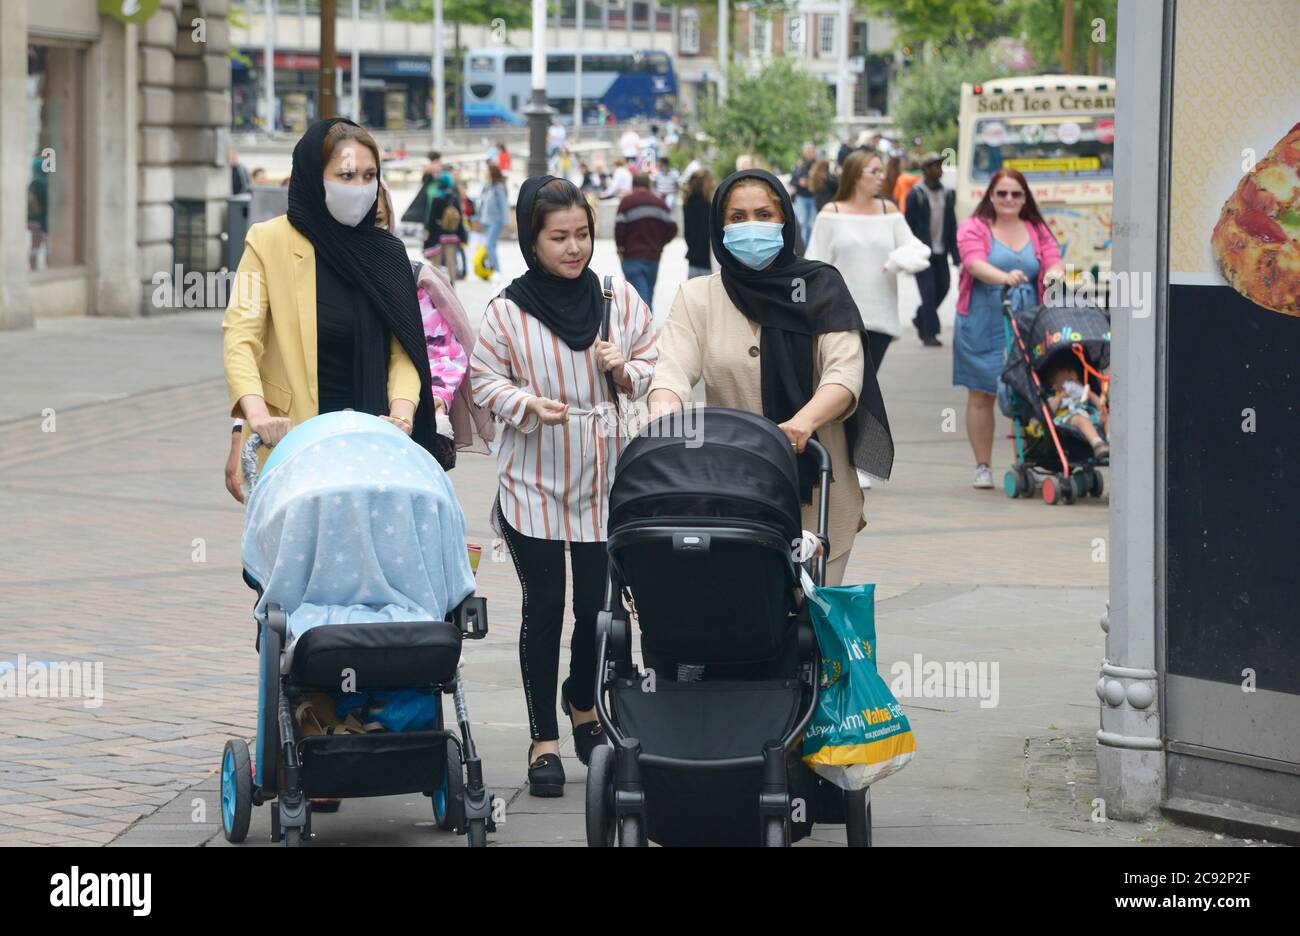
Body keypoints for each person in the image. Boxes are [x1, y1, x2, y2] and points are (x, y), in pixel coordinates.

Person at [469, 175, 658, 797]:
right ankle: (542, 737)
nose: (573, 248)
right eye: (558, 238)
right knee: (545, 605)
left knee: (596, 609)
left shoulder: (615, 295)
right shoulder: (506, 310)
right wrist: (524, 403)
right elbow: (481, 380)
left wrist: (623, 370)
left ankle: (583, 700)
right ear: (531, 239)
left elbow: (657, 360)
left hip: (604, 480)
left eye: (581, 234)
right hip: (533, 481)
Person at [647, 169, 895, 587]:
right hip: (733, 492)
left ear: (785, 220)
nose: (751, 227)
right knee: (743, 621)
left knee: (809, 627)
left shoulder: (820, 287)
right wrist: (665, 418)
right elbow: (671, 370)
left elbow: (844, 372)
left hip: (818, 495)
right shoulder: (698, 297)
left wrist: (804, 422)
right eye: (737, 217)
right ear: (719, 226)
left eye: (764, 214)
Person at [223, 117, 442, 494]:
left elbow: (404, 351)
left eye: (369, 175)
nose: (360, 188)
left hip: (371, 449)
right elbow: (241, 337)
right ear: (313, 176)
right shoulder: (267, 241)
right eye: (346, 175)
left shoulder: (387, 254)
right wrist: (256, 416)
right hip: (292, 444)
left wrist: (401, 416)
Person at [807, 150, 929, 490]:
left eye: (880, 170)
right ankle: (847, 460)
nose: (880, 176)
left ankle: (853, 460)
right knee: (850, 386)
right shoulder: (830, 214)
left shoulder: (890, 212)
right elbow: (815, 263)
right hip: (839, 316)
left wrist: (896, 261)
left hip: (879, 316)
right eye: (873, 170)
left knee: (861, 386)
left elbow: (917, 249)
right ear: (856, 174)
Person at [955, 168, 1064, 489]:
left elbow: (1053, 257)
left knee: (1030, 388)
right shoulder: (974, 227)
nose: (1008, 199)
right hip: (981, 316)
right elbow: (974, 263)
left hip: (1027, 317)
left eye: (1016, 194)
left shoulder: (1036, 228)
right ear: (990, 195)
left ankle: (1030, 458)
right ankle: (983, 466)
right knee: (982, 391)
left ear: (1025, 198)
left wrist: (1055, 273)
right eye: (1001, 193)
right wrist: (1003, 278)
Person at [904, 153, 959, 347]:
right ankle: (930, 333)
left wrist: (956, 254)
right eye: (935, 166)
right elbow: (907, 225)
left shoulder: (948, 193)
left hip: (941, 250)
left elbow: (952, 224)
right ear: (926, 170)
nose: (940, 169)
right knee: (928, 293)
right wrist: (909, 250)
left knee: (943, 287)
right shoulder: (916, 194)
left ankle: (921, 317)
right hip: (922, 252)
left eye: (940, 165)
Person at [614, 173, 678, 308]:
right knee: (648, 293)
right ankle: (647, 326)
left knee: (639, 299)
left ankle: (644, 327)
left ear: (633, 185)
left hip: (631, 256)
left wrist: (620, 248)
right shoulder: (659, 203)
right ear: (648, 185)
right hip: (653, 256)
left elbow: (619, 228)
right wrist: (660, 243)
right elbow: (673, 228)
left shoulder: (627, 202)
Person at [1044, 356, 1109, 458]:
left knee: (1107, 416)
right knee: (1080, 419)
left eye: (1074, 377)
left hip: (1090, 416)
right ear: (1054, 384)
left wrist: (1090, 394)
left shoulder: (1082, 391)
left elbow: (1101, 406)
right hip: (1070, 419)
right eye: (1066, 378)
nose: (1072, 378)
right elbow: (1049, 411)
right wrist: (1061, 396)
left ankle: (1111, 439)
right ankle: (1097, 444)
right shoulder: (1054, 396)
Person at [425, 171, 465, 285]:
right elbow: (460, 217)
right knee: (451, 260)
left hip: (438, 232)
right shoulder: (454, 197)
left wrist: (427, 230)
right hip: (452, 233)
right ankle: (452, 284)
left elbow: (431, 217)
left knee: (436, 261)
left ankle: (436, 284)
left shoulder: (437, 197)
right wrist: (461, 234)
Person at [477, 162, 509, 279]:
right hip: (486, 220)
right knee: (491, 246)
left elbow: (503, 205)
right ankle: (491, 269)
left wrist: (506, 222)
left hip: (496, 221)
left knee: (489, 245)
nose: (485, 172)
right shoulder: (487, 186)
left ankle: (497, 271)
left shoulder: (498, 187)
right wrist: (478, 217)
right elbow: (482, 202)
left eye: (487, 170)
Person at [682, 169, 714, 279]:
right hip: (706, 259)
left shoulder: (687, 204)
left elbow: (688, 233)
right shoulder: (709, 207)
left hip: (693, 256)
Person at [790, 142, 818, 245]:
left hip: (814, 197)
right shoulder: (799, 165)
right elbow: (792, 181)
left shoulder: (818, 165)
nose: (809, 153)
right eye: (807, 151)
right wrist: (800, 182)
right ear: (803, 152)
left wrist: (812, 182)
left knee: (811, 224)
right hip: (801, 197)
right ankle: (802, 247)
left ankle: (809, 247)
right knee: (802, 223)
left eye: (811, 151)